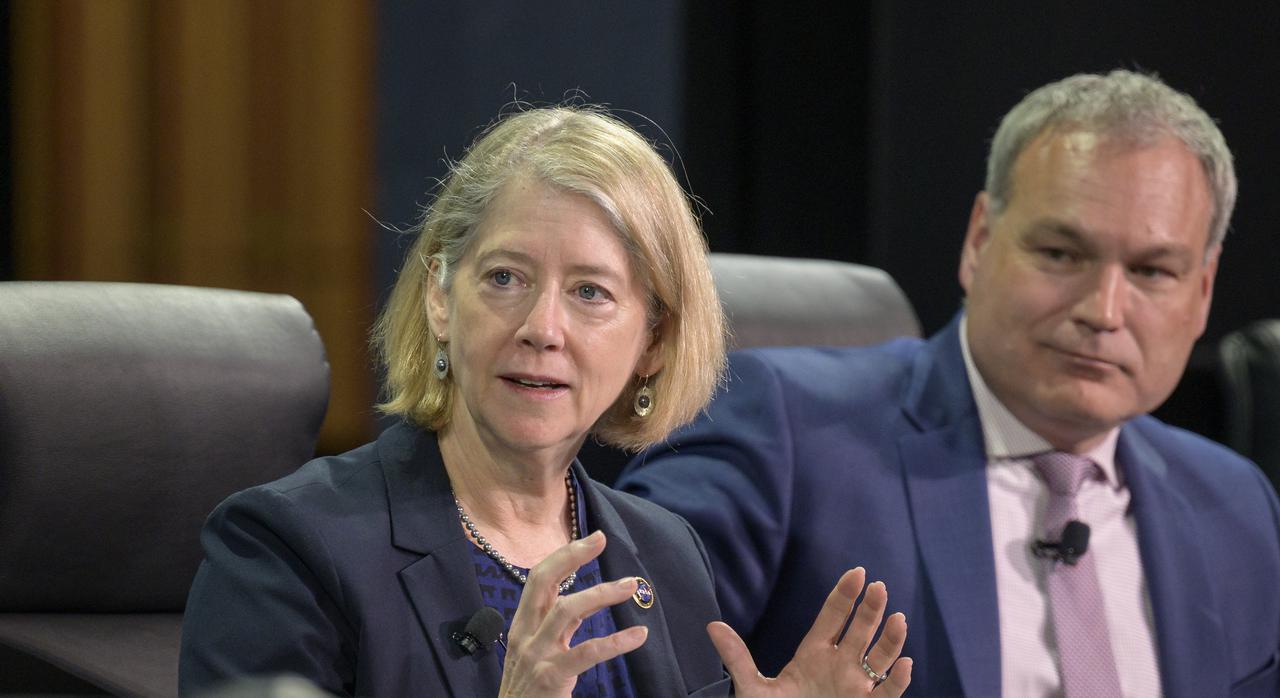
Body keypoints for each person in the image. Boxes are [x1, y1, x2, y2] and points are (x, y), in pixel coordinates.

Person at [179, 106, 913, 696]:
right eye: (505, 278)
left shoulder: (667, 555)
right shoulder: (288, 548)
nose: (542, 328)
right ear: (440, 297)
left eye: (590, 292)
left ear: (653, 342)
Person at [619, 70, 1280, 697]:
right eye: (1060, 254)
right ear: (979, 241)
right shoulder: (785, 435)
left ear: (1202, 291)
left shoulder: (1237, 506)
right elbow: (611, 664)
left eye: (1152, 272)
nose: (1104, 312)